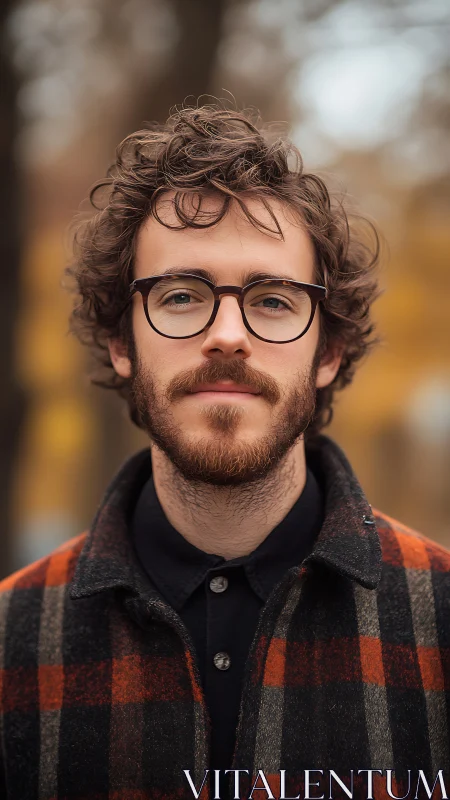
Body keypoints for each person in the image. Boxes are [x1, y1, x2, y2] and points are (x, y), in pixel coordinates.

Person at [0, 104, 449, 800]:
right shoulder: (9, 643)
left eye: (272, 301)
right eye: (182, 295)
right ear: (122, 343)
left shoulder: (442, 622)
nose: (228, 335)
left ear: (327, 351)